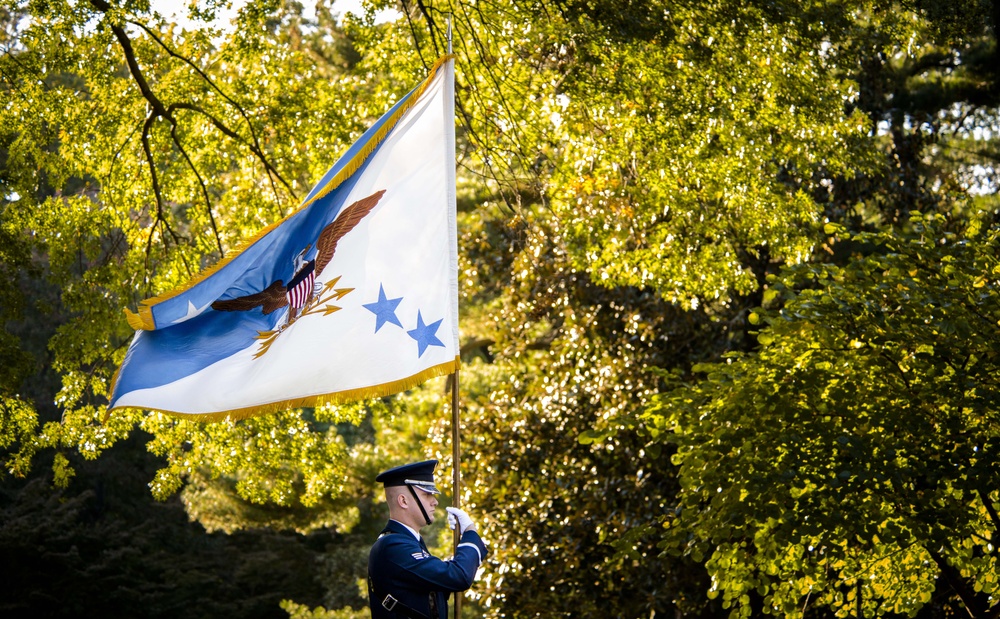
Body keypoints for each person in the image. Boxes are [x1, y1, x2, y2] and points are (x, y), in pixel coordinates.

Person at [368, 459, 488, 619]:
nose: (435, 501)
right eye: (426, 494)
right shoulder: (392, 546)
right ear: (403, 501)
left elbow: (436, 590)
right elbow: (459, 577)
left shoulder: (411, 543)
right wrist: (470, 533)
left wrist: (460, 554)